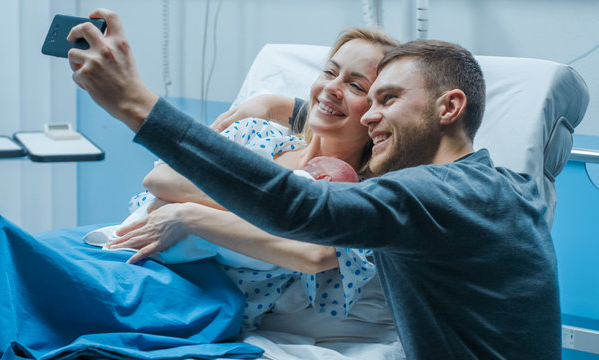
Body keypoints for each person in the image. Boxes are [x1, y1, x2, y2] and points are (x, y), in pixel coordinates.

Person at [68, 8, 561, 359]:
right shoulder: (503, 187)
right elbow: (333, 123)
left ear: (449, 108)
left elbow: (299, 208)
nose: (370, 116)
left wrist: (134, 103)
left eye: (384, 99)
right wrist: (281, 105)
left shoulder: (427, 195)